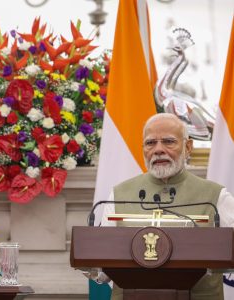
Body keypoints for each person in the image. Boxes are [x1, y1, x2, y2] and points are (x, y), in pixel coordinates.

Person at [99, 113, 234, 300]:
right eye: (150, 143)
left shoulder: (215, 196)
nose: (158, 150)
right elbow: (100, 261)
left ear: (188, 147)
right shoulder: (119, 194)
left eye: (169, 142)